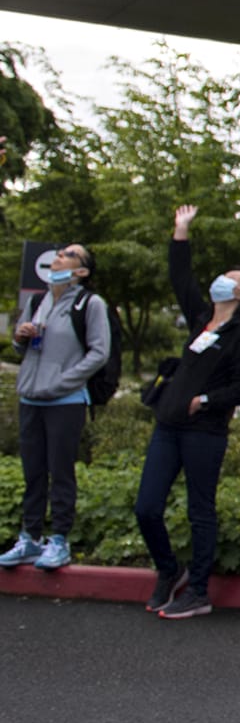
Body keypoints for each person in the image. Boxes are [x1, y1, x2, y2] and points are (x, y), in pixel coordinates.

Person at [135, 204, 240, 619]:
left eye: (231, 279)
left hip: (204, 433)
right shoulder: (200, 320)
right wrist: (181, 231)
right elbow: (180, 277)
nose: (221, 282)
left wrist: (205, 401)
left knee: (199, 511)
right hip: (168, 426)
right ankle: (168, 570)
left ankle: (197, 591)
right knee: (146, 506)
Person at [1, 242, 111, 572]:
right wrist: (20, 338)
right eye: (59, 253)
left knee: (60, 471)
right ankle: (30, 538)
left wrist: (63, 381)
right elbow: (22, 351)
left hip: (65, 401)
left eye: (68, 254)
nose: (59, 256)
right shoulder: (38, 300)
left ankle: (59, 539)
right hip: (30, 398)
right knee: (32, 473)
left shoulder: (90, 304)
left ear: (81, 271)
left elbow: (99, 353)